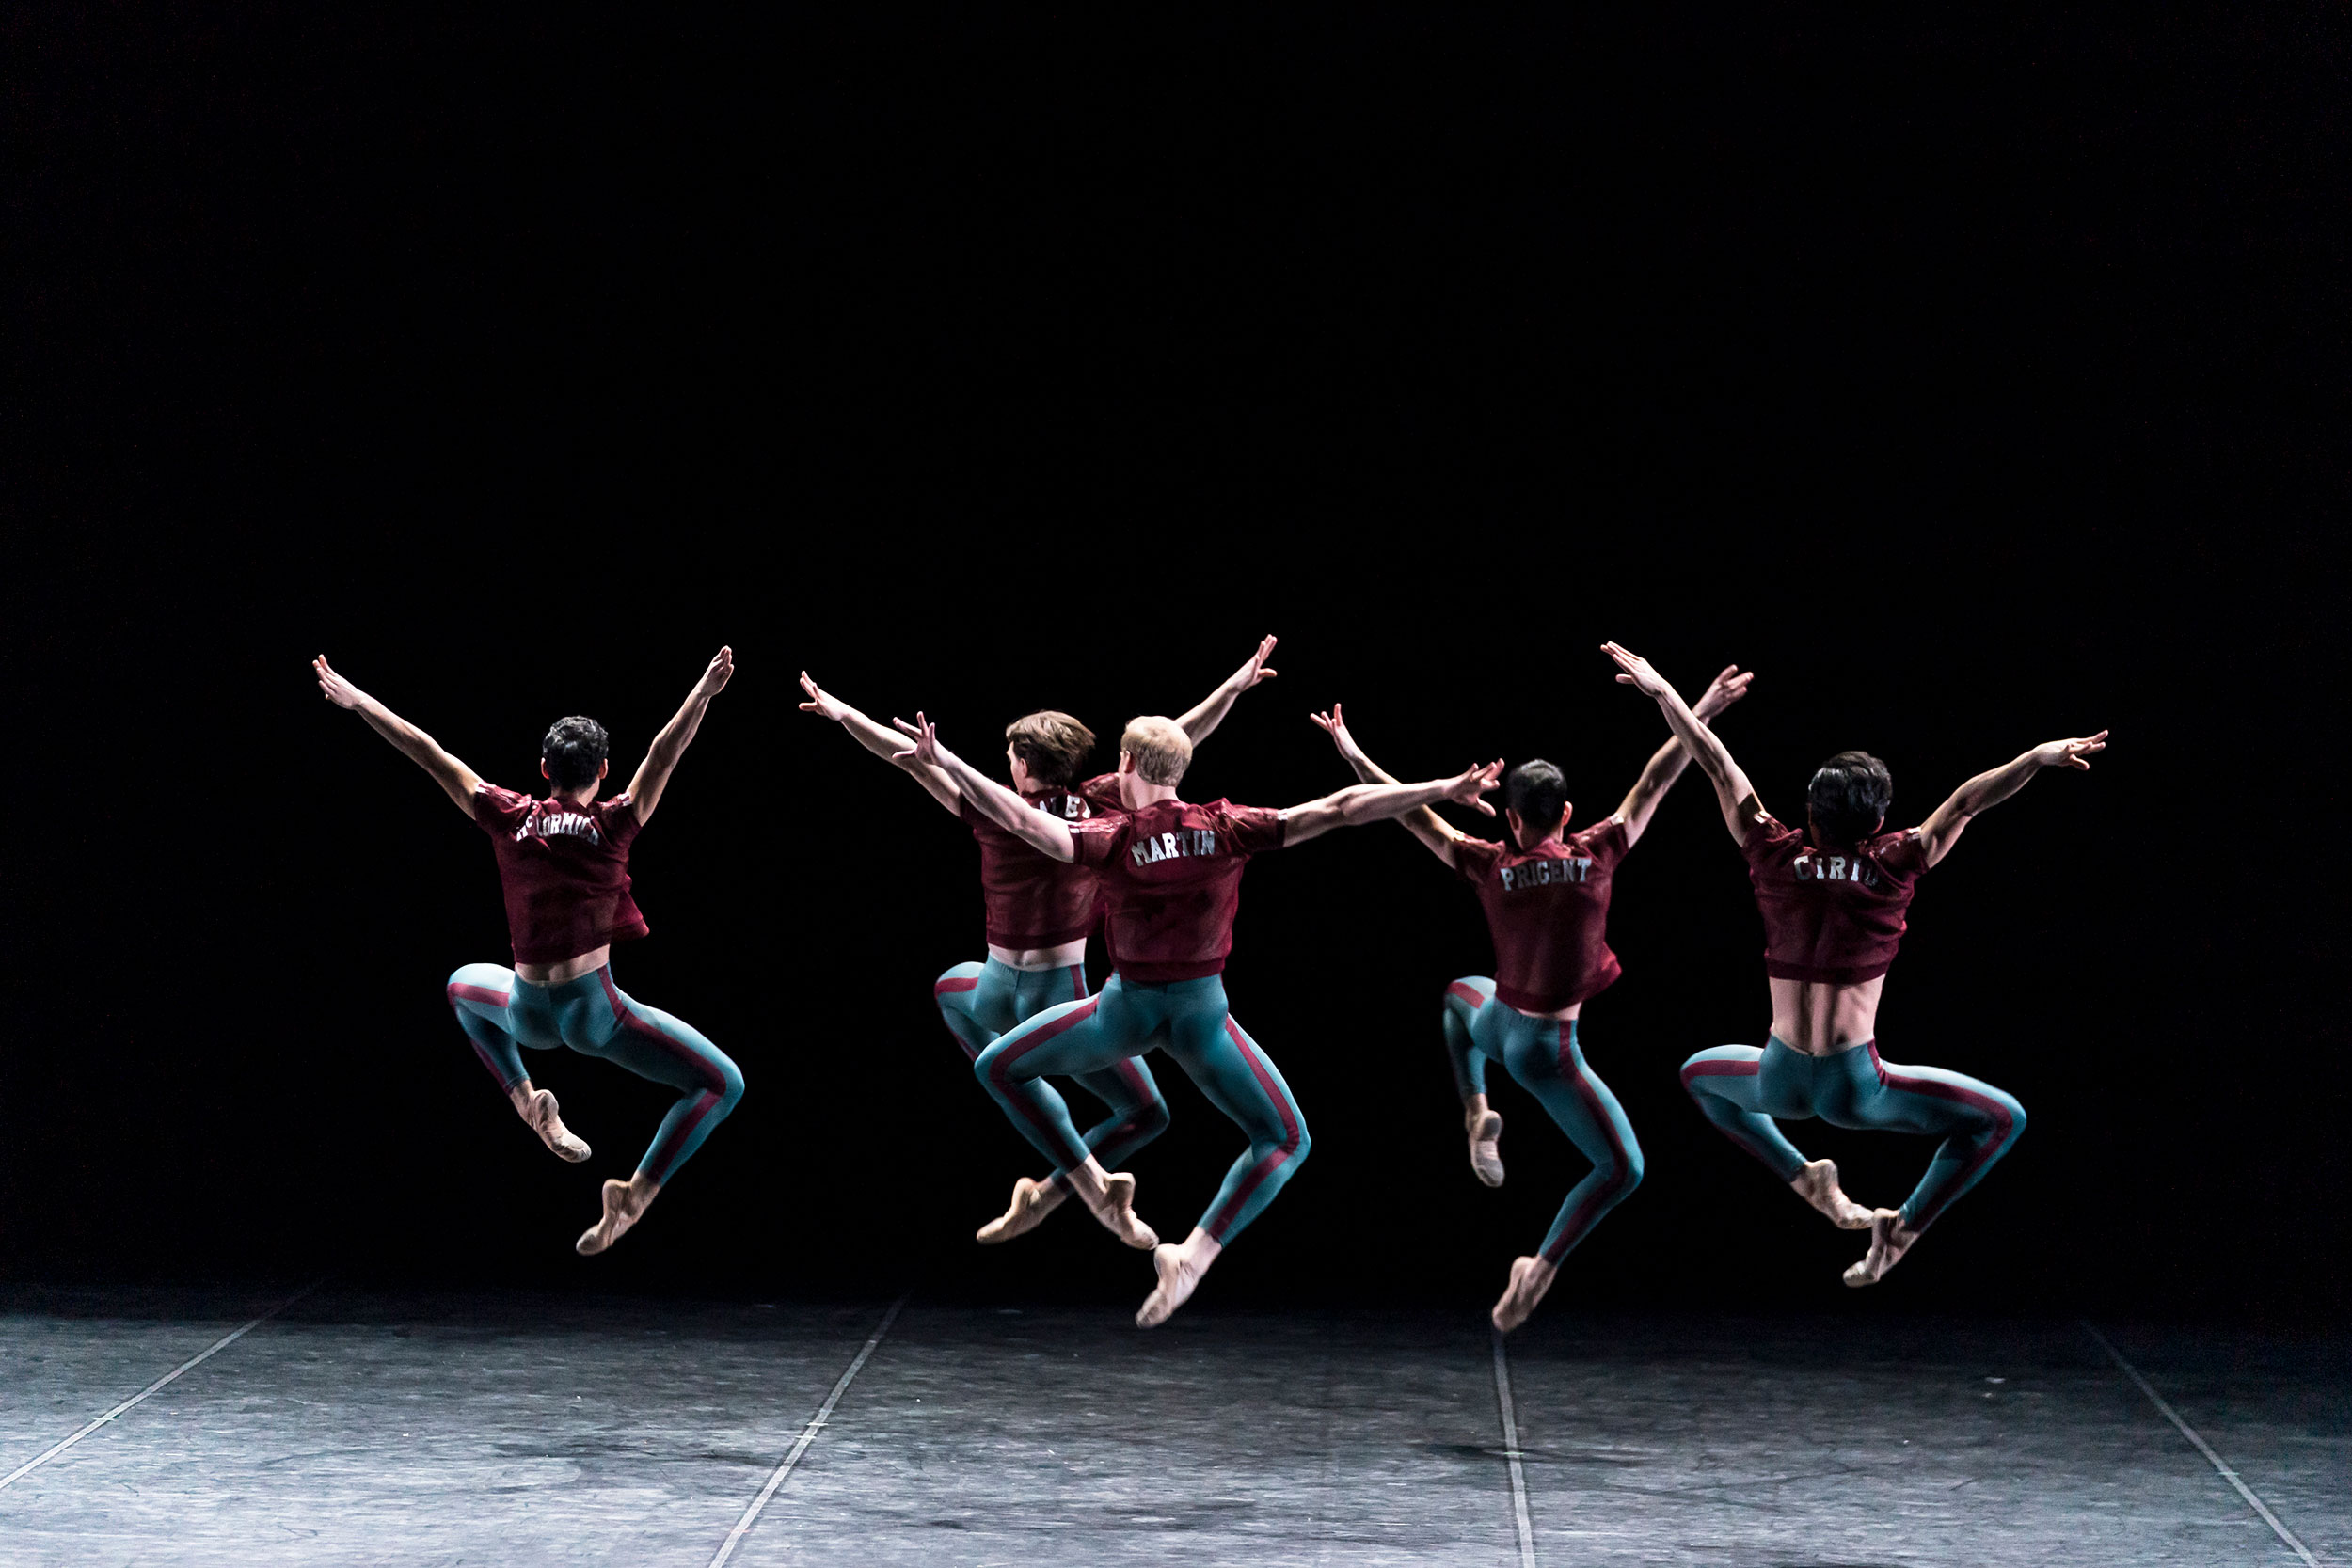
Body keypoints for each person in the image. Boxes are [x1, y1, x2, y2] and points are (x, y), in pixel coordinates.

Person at [898, 707, 1502, 1326]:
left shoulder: (1115, 836)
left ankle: (1076, 1182)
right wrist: (1444, 789)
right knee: (1287, 1139)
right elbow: (1343, 807)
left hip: (1122, 1013)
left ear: (1126, 764)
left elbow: (1024, 820)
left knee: (997, 1065)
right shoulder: (1227, 826)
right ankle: (1191, 1253)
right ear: (1181, 769)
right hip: (1201, 1019)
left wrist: (944, 762)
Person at [1604, 641, 2106, 1286]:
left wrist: (1663, 691)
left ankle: (1802, 1175)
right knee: (2004, 1119)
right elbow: (1966, 802)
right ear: (1879, 820)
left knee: (1698, 1077)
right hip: (1855, 1087)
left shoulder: (1772, 849)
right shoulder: (1891, 863)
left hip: (1778, 1079)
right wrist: (2037, 756)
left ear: (1809, 813)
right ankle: (1900, 1231)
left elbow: (1716, 764)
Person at [1310, 664, 1752, 1332]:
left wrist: (1355, 755)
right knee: (1623, 1168)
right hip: (1550, 1052)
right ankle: (1538, 1265)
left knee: (1457, 997)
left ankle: (1476, 1110)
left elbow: (1410, 814)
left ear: (1510, 817)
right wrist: (1701, 707)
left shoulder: (1487, 862)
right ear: (1567, 814)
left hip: (1500, 1025)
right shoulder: (1599, 852)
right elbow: (1660, 776)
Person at [795, 638, 1279, 1244]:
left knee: (951, 990)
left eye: (1009, 756)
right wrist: (1232, 689)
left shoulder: (990, 806)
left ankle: (1060, 1178)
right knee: (1148, 1113)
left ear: (1023, 763)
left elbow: (906, 757)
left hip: (998, 991)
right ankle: (1083, 1181)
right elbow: (1174, 742)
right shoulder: (1102, 802)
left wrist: (845, 715)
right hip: (1061, 993)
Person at [312, 648, 746, 1256]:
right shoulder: (615, 822)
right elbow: (663, 754)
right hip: (594, 1015)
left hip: (527, 1013)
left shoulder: (506, 813)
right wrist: (702, 692)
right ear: (603, 771)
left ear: (544, 768)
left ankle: (528, 1102)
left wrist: (358, 702)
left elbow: (426, 749)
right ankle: (637, 1193)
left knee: (462, 985)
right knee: (723, 1084)